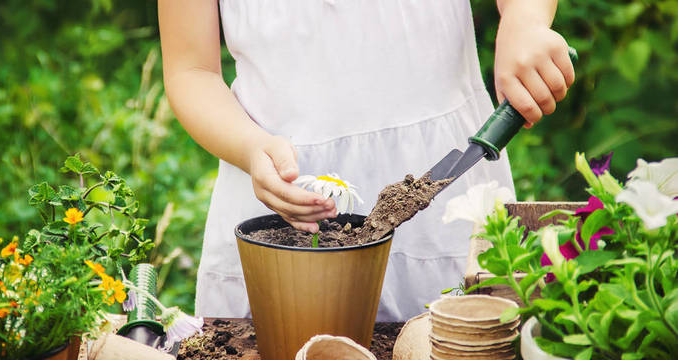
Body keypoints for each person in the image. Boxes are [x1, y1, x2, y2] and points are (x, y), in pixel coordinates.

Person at [158, 0, 574, 321]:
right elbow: (191, 70)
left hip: (444, 200)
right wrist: (249, 148)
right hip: (283, 208)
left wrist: (526, 23)